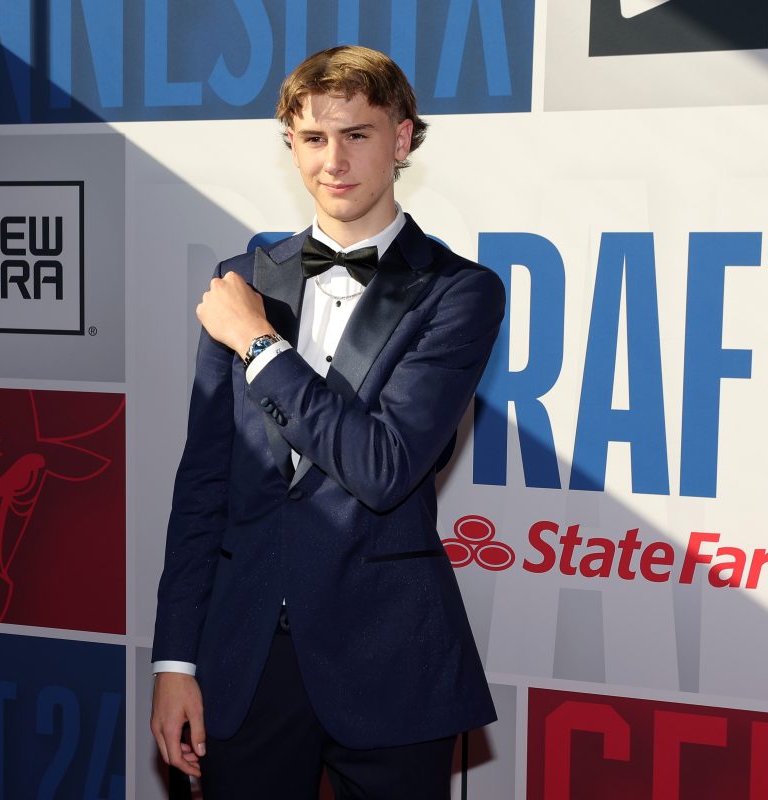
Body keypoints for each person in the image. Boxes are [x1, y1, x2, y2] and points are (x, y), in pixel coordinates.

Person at [149, 45, 504, 799]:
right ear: (291, 145)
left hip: (389, 659)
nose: (333, 161)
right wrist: (175, 660)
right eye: (313, 138)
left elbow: (381, 466)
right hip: (246, 658)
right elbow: (202, 489)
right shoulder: (243, 282)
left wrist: (258, 343)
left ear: (402, 139)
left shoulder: (458, 293)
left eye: (358, 134)